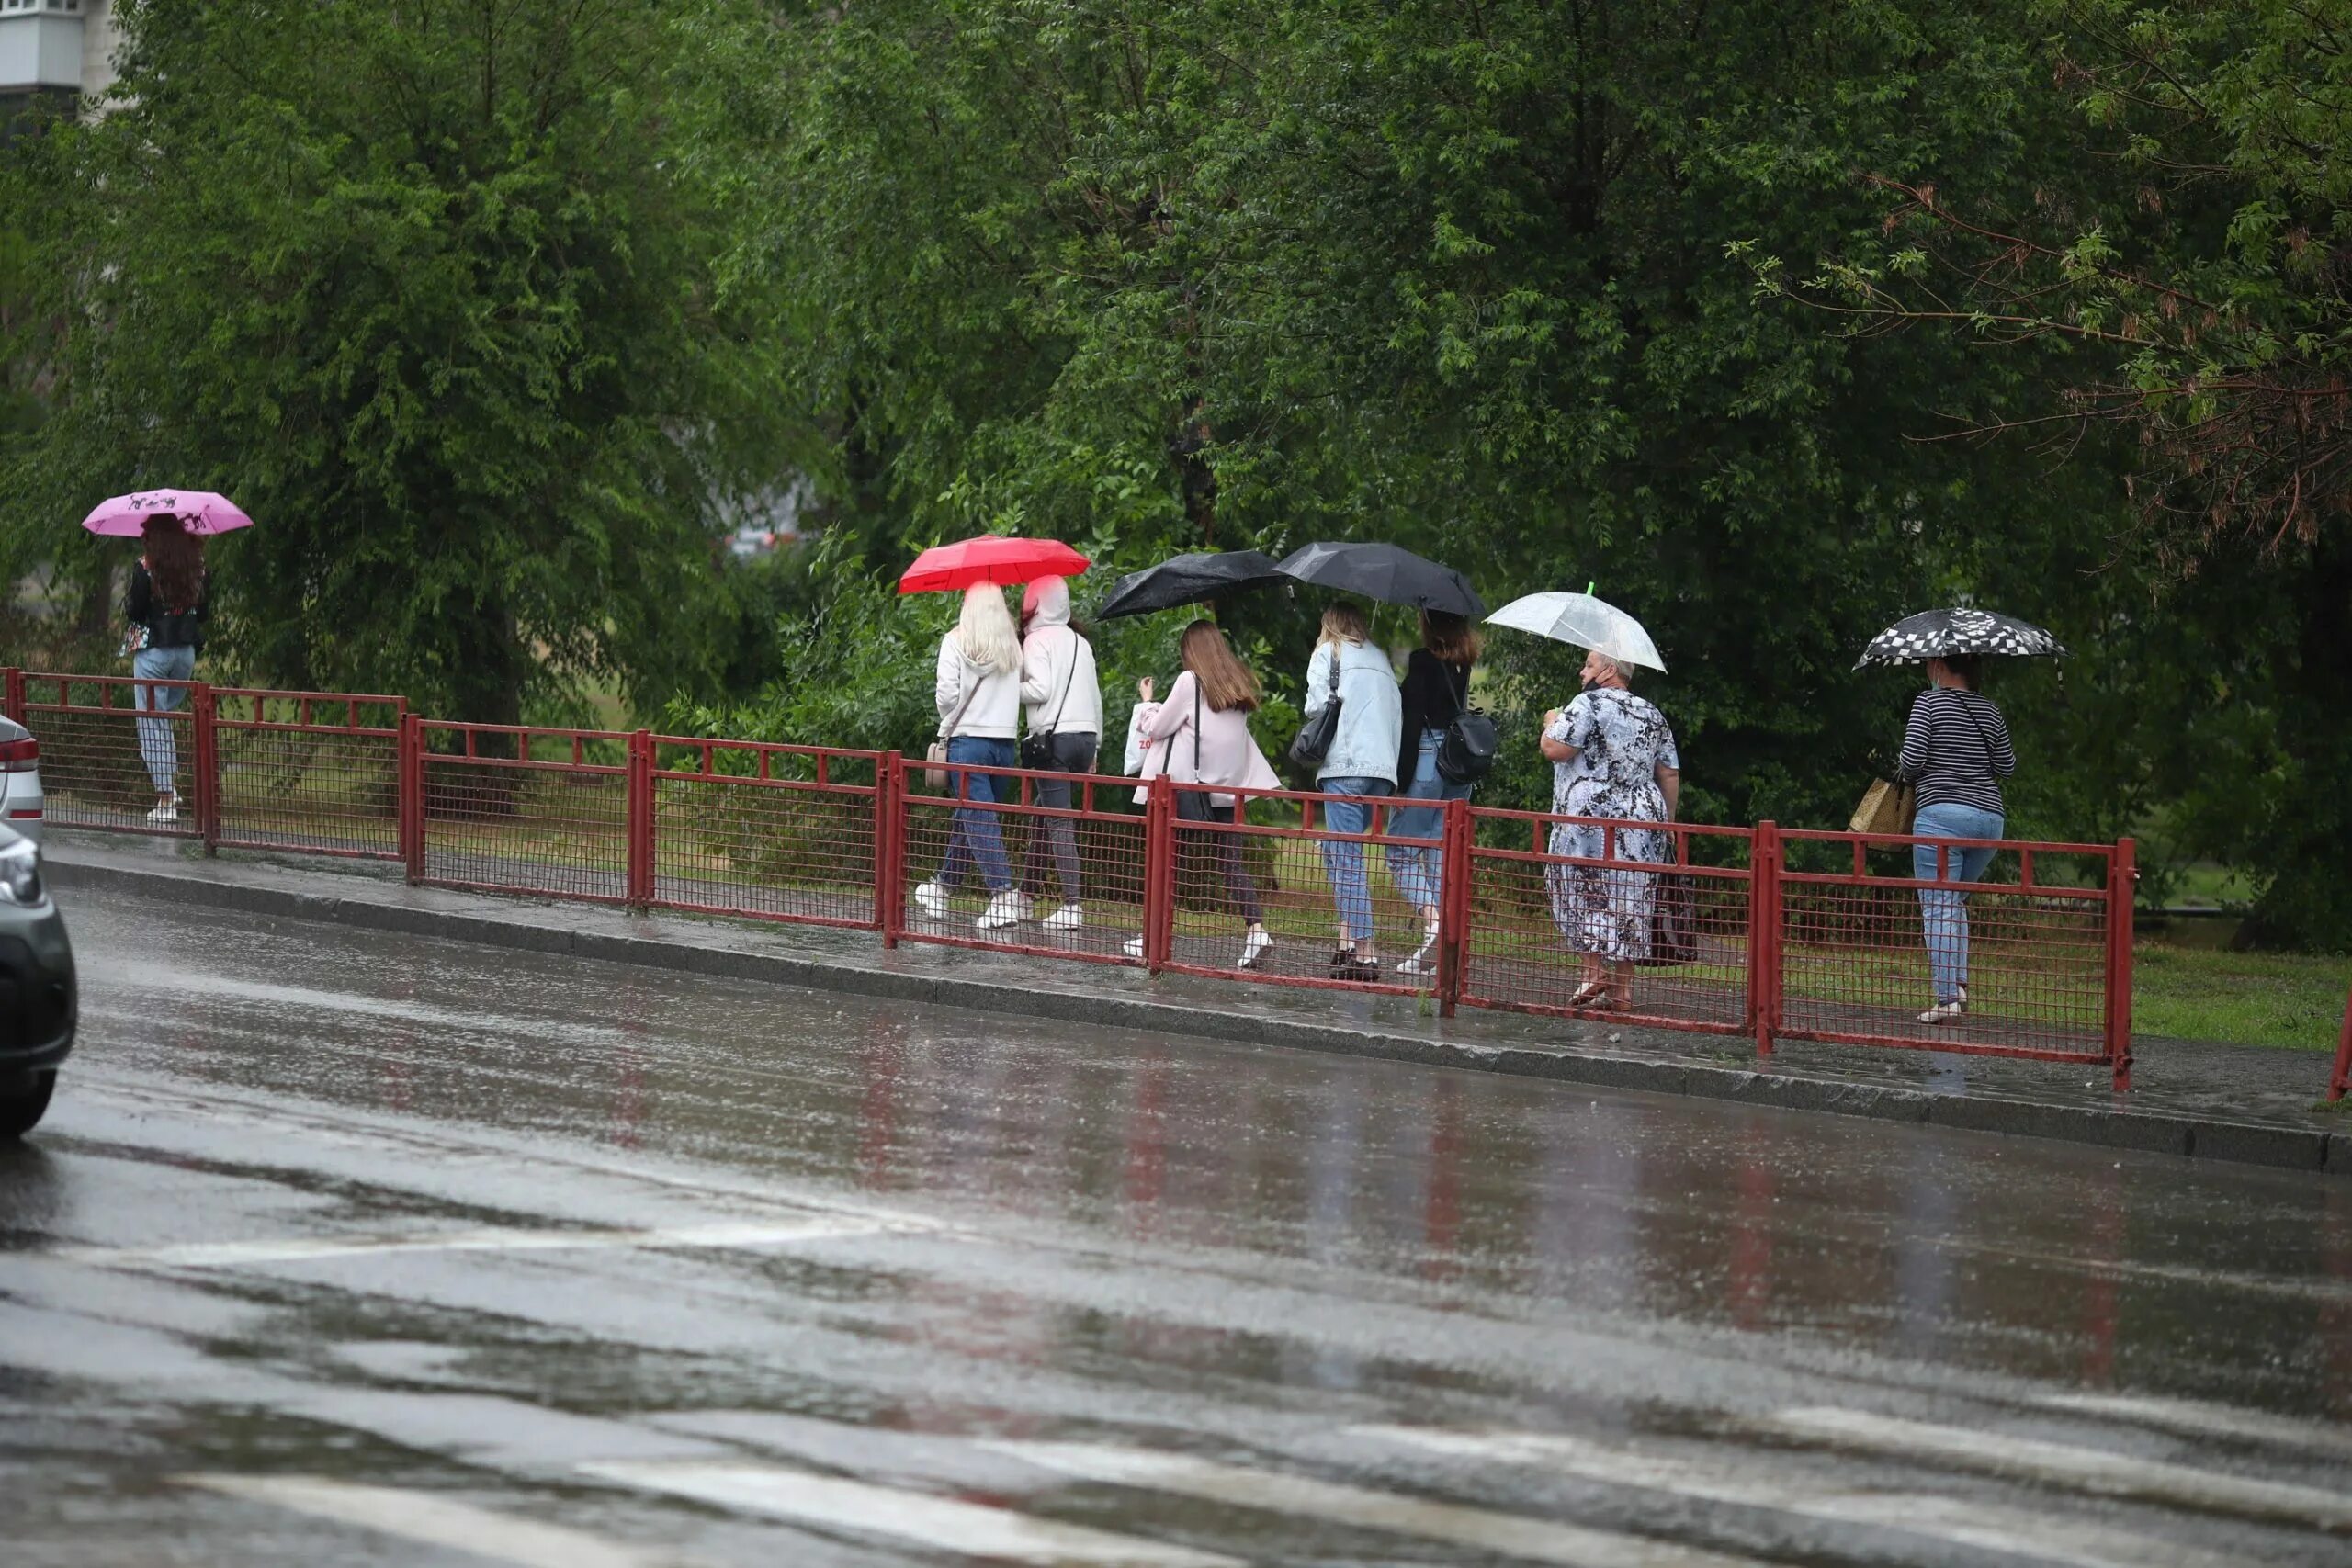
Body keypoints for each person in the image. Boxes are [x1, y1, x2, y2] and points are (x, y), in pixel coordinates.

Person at [1123, 621, 1280, 970]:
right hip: (1227, 792)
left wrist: (1148, 703)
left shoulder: (1189, 681)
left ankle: (1152, 940)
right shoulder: (1235, 684)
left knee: (1165, 861)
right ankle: (1256, 930)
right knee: (1230, 864)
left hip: (1189, 793)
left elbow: (1158, 727)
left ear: (1190, 652)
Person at [1540, 649, 1680, 1011]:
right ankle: (1623, 991)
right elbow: (1668, 773)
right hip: (1642, 818)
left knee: (1584, 888)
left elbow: (1555, 748)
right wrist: (1668, 824)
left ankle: (1592, 973)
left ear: (1609, 670)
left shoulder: (1585, 705)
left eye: (1588, 664)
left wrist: (1551, 721)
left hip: (1590, 817)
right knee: (1630, 895)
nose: (1582, 670)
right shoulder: (1652, 713)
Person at [1894, 653, 2017, 1024]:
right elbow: (2007, 766)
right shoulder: (1989, 710)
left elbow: (1912, 761)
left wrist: (1902, 762)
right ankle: (1958, 986)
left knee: (1938, 905)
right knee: (1954, 900)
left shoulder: (1928, 702)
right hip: (1989, 821)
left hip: (1942, 818)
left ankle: (1947, 999)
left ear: (1939, 667)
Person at [913, 585, 1025, 930]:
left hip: (967, 743)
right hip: (1004, 745)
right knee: (974, 817)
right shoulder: (1012, 646)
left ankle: (1004, 896)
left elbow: (946, 697)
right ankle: (942, 888)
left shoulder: (955, 641)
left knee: (978, 819)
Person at [1301, 603, 1402, 979]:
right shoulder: (1381, 658)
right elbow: (1396, 713)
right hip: (1382, 769)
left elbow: (1314, 707)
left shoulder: (1328, 653)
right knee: (1337, 849)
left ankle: (1366, 952)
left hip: (1345, 766)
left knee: (1346, 857)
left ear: (1329, 624)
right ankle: (1346, 940)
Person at [1386, 610, 1479, 975]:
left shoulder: (1423, 661)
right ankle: (1443, 948)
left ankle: (1433, 921)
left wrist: (1400, 776)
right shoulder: (1464, 662)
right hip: (1457, 761)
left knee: (1401, 852)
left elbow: (1412, 723)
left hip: (1427, 756)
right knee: (1440, 854)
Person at [1016, 575, 1102, 930]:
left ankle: (1072, 905)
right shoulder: (1082, 643)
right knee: (1044, 814)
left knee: (1058, 823)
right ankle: (1026, 894)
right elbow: (1096, 697)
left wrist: (1005, 686)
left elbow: (1039, 688)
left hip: (1054, 741)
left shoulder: (1036, 640)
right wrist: (1096, 746)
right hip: (1084, 738)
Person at [123, 516, 209, 825]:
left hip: (154, 652)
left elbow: (135, 610)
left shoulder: (145, 566)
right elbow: (205, 611)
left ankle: (166, 798)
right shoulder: (195, 565)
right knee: (163, 719)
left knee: (150, 722)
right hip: (184, 653)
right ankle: (169, 786)